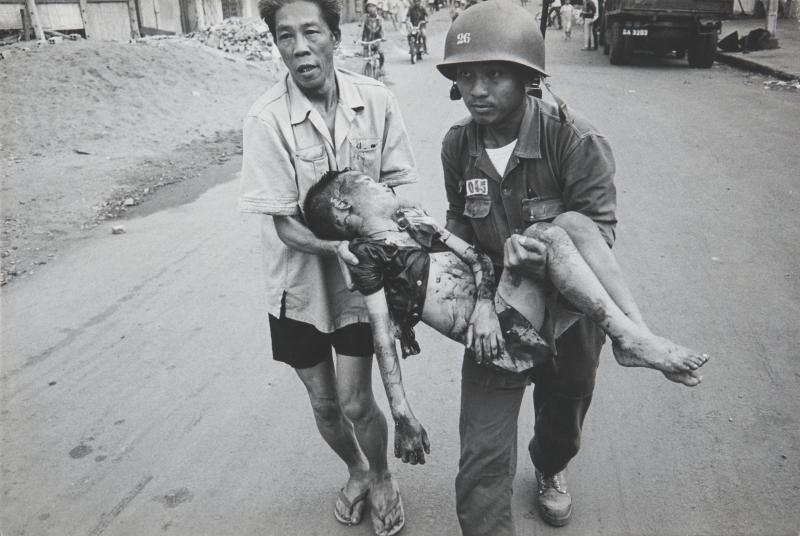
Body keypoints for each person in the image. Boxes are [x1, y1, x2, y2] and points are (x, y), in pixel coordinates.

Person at [301, 167, 709, 490]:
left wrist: (446, 246)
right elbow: (382, 337)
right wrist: (403, 414)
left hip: (506, 313)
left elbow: (478, 259)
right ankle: (628, 337)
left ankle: (632, 336)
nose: (384, 184)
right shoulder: (367, 256)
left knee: (574, 225)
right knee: (545, 234)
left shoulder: (413, 229)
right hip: (507, 344)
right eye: (370, 182)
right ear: (342, 206)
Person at [436, 0, 664, 532]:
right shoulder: (457, 145)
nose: (478, 89)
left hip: (570, 317)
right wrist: (482, 307)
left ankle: (548, 468)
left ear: (527, 78)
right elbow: (459, 234)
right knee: (482, 454)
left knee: (562, 427)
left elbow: (600, 235)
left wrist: (550, 245)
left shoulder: (575, 140)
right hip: (498, 310)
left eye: (494, 74)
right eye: (466, 76)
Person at [238, 0, 417, 534]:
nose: (299, 47)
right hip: (298, 286)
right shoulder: (266, 120)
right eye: (285, 35)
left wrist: (396, 237)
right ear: (275, 43)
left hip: (361, 287)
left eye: (311, 32)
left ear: (336, 36)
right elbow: (283, 225)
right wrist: (334, 246)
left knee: (357, 401)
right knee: (323, 403)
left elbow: (401, 181)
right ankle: (356, 469)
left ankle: (383, 475)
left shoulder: (377, 100)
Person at [361, 0, 386, 71]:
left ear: (376, 8)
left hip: (376, 40)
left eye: (372, 6)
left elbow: (382, 29)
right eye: (369, 6)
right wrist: (356, 39)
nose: (370, 8)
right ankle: (365, 72)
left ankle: (381, 68)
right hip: (366, 40)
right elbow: (360, 28)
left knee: (380, 53)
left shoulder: (380, 19)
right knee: (365, 58)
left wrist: (383, 37)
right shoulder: (365, 17)